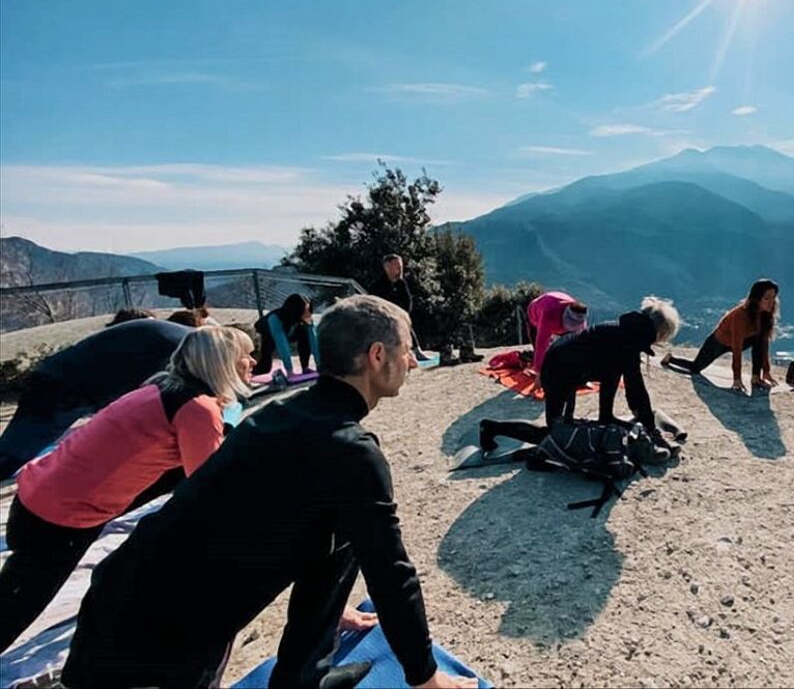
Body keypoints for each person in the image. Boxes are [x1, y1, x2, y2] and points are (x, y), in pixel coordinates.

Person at [62, 295, 477, 689]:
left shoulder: (287, 412)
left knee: (349, 525)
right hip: (156, 634)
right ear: (377, 356)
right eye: (406, 350)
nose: (411, 361)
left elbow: (313, 534)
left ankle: (304, 676)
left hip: (125, 591)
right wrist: (424, 674)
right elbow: (391, 573)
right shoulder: (350, 451)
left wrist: (329, 612)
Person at [0, 327, 255, 652]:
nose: (251, 360)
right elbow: (207, 486)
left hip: (36, 496)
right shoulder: (196, 409)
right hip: (59, 518)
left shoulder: (159, 386)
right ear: (221, 363)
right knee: (14, 609)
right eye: (243, 355)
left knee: (14, 593)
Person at [0, 318, 191, 479]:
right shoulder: (180, 352)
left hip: (69, 379)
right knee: (12, 454)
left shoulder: (185, 340)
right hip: (62, 388)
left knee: (17, 448)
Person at [481, 297, 680, 450]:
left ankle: (606, 417)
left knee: (613, 372)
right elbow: (636, 389)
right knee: (554, 433)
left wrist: (628, 420)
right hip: (558, 369)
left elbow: (617, 378)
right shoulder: (628, 341)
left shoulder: (627, 333)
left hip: (570, 366)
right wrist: (651, 429)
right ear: (658, 332)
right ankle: (491, 428)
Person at [662, 279, 780, 393]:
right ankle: (670, 359)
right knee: (695, 368)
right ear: (757, 299)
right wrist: (737, 379)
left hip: (743, 340)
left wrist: (766, 371)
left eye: (773, 298)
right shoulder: (741, 315)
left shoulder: (765, 316)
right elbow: (737, 348)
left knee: (759, 340)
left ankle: (755, 378)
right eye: (767, 298)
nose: (771, 302)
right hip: (719, 342)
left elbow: (764, 344)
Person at [368, 253, 433, 361]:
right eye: (397, 266)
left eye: (401, 266)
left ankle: (417, 351)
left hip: (397, 317)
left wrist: (401, 314)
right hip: (381, 320)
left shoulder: (401, 283)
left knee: (404, 322)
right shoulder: (377, 286)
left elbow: (408, 302)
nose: (400, 269)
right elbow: (375, 306)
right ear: (387, 267)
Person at [526, 291, 588, 390]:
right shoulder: (549, 314)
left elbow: (583, 344)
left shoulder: (579, 315)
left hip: (557, 308)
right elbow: (541, 343)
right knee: (542, 351)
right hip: (536, 313)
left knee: (572, 348)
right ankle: (542, 371)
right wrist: (539, 373)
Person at [254, 293, 320, 376]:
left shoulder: (306, 318)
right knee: (264, 368)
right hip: (267, 333)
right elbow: (282, 344)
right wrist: (289, 371)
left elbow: (314, 341)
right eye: (304, 310)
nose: (308, 313)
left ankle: (305, 367)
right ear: (296, 310)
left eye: (309, 309)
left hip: (288, 332)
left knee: (305, 334)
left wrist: (319, 365)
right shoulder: (275, 318)